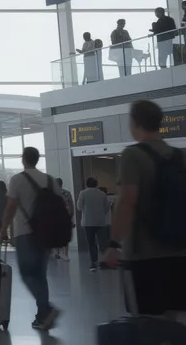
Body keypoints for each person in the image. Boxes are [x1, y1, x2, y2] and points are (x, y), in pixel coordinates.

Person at [102, 100, 186, 319]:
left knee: (147, 321)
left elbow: (127, 201)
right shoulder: (179, 156)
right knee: (172, 318)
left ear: (135, 122)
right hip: (179, 251)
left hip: (144, 254)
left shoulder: (133, 155)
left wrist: (113, 244)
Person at [0, 147, 61, 330]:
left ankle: (47, 310)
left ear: (24, 159)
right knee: (40, 275)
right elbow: (59, 207)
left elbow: (10, 208)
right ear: (37, 159)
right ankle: (42, 316)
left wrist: (3, 230)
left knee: (27, 274)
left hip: (25, 233)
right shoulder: (50, 180)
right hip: (47, 233)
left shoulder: (17, 180)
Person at [77, 177, 110, 271]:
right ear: (96, 184)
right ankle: (105, 262)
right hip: (100, 222)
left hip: (88, 222)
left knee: (91, 243)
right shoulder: (102, 194)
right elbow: (106, 209)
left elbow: (79, 207)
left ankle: (93, 263)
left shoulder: (83, 193)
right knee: (103, 243)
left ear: (87, 184)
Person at [54, 178, 75, 261]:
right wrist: (71, 215)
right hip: (65, 215)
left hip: (55, 216)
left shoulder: (53, 193)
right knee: (65, 235)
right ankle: (65, 254)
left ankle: (57, 252)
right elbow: (71, 204)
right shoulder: (66, 192)